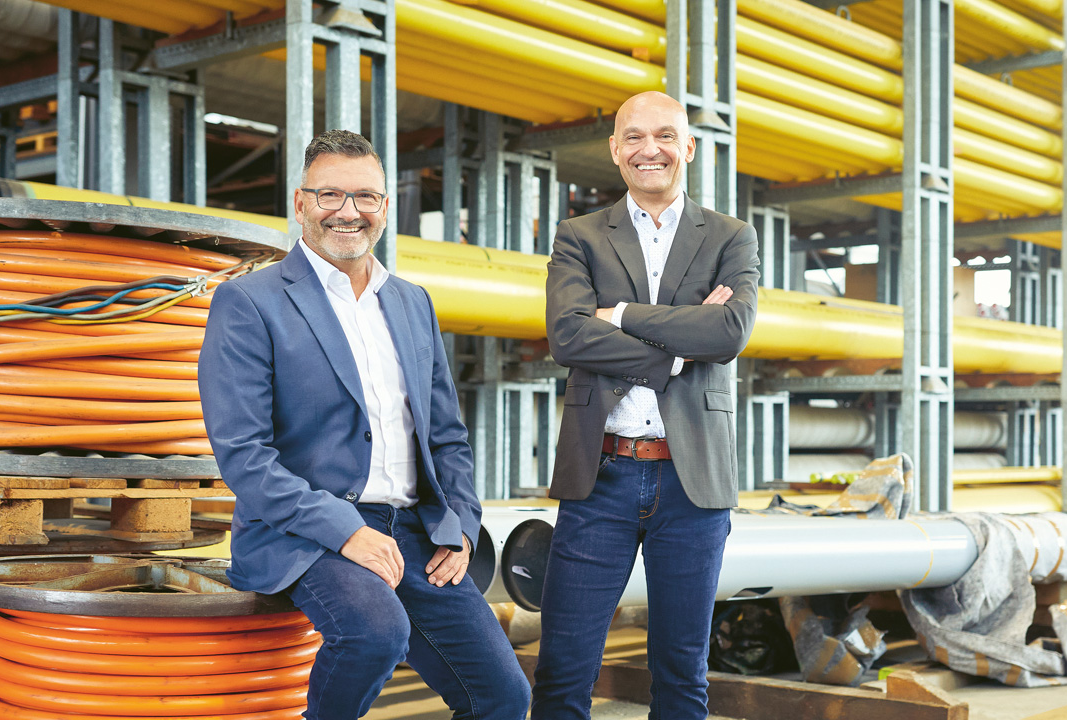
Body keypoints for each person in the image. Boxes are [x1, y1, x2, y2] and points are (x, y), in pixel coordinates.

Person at [199, 129, 530, 720]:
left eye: (366, 197)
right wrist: (346, 531)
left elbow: (446, 433)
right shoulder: (250, 302)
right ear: (300, 203)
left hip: (419, 535)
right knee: (376, 634)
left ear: (384, 206)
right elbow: (244, 454)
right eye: (330, 195)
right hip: (308, 533)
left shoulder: (411, 301)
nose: (349, 212)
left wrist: (460, 522)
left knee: (503, 696)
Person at [531, 92, 761, 719]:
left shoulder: (730, 237)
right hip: (599, 475)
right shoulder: (578, 235)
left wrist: (623, 317)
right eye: (633, 137)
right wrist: (677, 351)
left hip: (693, 488)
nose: (648, 149)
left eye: (664, 135)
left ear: (688, 147)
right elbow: (568, 334)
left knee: (682, 675)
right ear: (614, 149)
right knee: (562, 671)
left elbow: (730, 334)